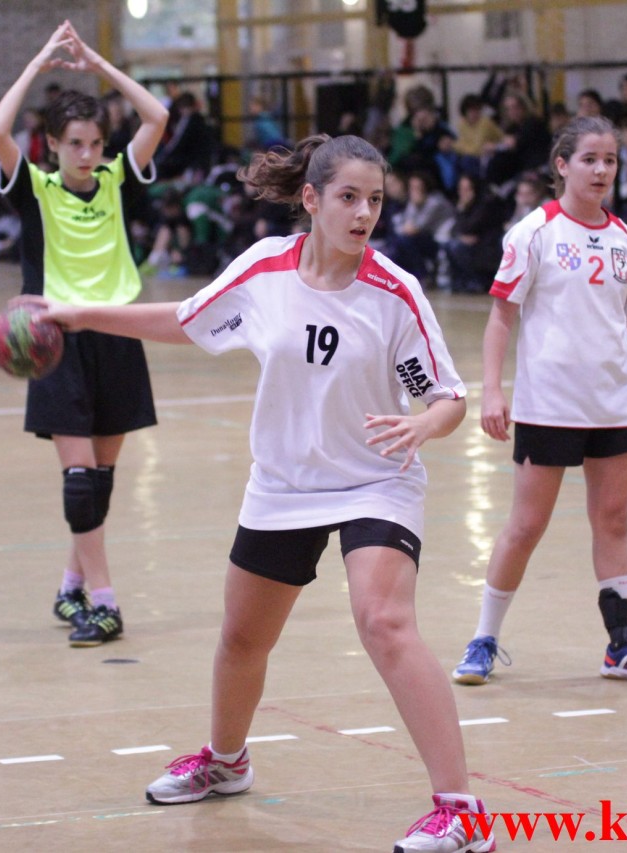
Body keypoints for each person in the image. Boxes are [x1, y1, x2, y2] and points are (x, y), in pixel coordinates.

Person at [39, 133, 495, 853]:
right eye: (348, 197)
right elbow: (186, 320)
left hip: (376, 479)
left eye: (375, 200)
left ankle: (461, 811)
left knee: (384, 621)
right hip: (284, 483)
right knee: (243, 637)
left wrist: (424, 424)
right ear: (311, 199)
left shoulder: (394, 293)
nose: (364, 213)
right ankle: (226, 762)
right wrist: (81, 313)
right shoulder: (264, 271)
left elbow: (446, 397)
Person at [451, 115, 627, 687]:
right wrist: (492, 390)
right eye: (589, 159)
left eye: (610, 160)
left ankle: (623, 646)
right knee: (526, 526)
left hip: (613, 403)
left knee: (613, 521)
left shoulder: (624, 237)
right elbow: (501, 317)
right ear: (562, 165)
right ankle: (484, 639)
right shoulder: (534, 232)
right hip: (549, 405)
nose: (601, 170)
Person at [0, 21, 169, 647]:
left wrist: (96, 63)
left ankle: (71, 587)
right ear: (53, 145)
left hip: (117, 333)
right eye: (74, 144)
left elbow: (157, 116)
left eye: (94, 143)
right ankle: (106, 603)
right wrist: (38, 63)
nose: (86, 154)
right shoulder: (36, 188)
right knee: (80, 480)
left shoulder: (118, 180)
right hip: (56, 341)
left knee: (102, 482)